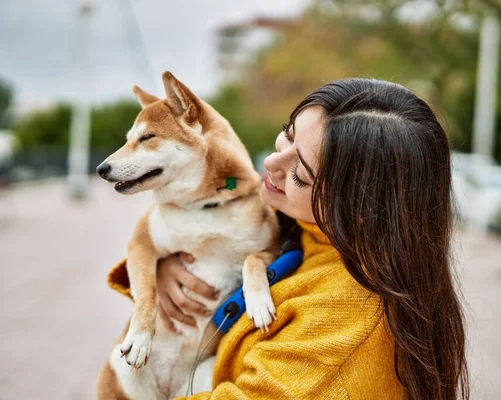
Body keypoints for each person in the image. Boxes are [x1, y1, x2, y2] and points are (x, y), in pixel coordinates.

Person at [107, 78, 469, 400]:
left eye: (300, 173)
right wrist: (163, 270)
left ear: (359, 204)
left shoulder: (345, 328)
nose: (272, 163)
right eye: (289, 134)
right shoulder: (305, 225)